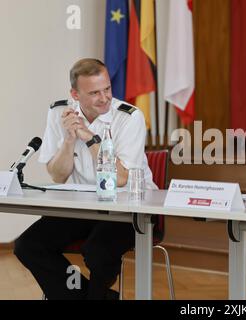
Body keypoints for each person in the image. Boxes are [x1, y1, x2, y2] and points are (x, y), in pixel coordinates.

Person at [14, 58, 157, 300]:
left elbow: (120, 179)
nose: (104, 98)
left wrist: (90, 137)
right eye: (94, 93)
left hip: (130, 209)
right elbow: (58, 175)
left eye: (107, 89)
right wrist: (70, 139)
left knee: (98, 251)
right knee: (28, 245)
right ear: (75, 94)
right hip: (83, 206)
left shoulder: (129, 117)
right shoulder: (59, 112)